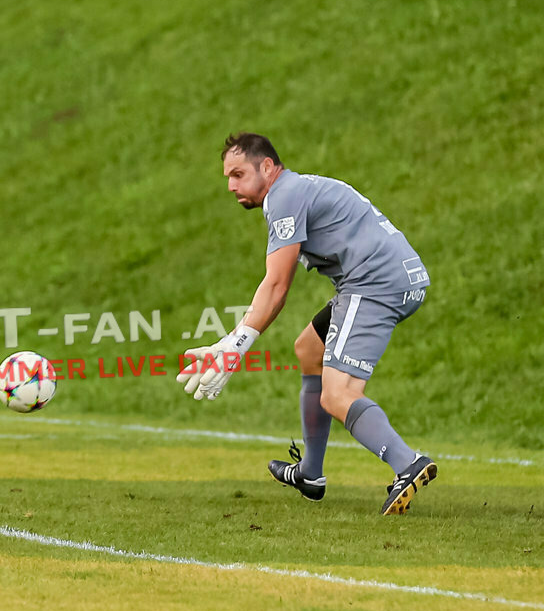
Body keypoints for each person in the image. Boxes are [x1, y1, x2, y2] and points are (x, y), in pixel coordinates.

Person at [177, 132, 434, 515]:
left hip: (376, 283)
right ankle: (311, 473)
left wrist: (235, 346)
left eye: (238, 173)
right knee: (309, 349)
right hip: (387, 278)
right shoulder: (295, 189)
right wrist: (233, 340)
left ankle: (407, 463)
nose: (231, 185)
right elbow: (274, 285)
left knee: (337, 394)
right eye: (227, 177)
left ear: (267, 166)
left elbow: (278, 285)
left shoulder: (284, 197)